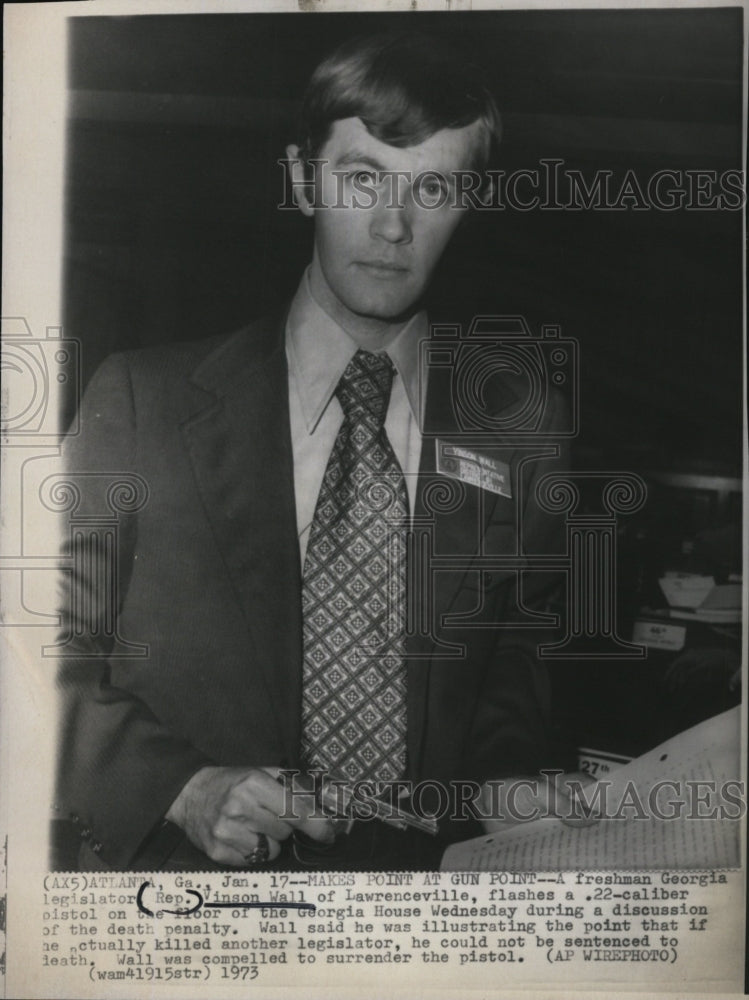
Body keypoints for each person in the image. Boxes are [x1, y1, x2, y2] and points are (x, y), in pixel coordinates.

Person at [55, 31, 569, 871]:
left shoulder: (518, 432)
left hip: (414, 916)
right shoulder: (141, 401)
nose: (393, 224)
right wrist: (181, 790)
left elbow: (509, 657)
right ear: (302, 179)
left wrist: (503, 778)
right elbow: (31, 652)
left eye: (433, 187)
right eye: (363, 175)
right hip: (187, 912)